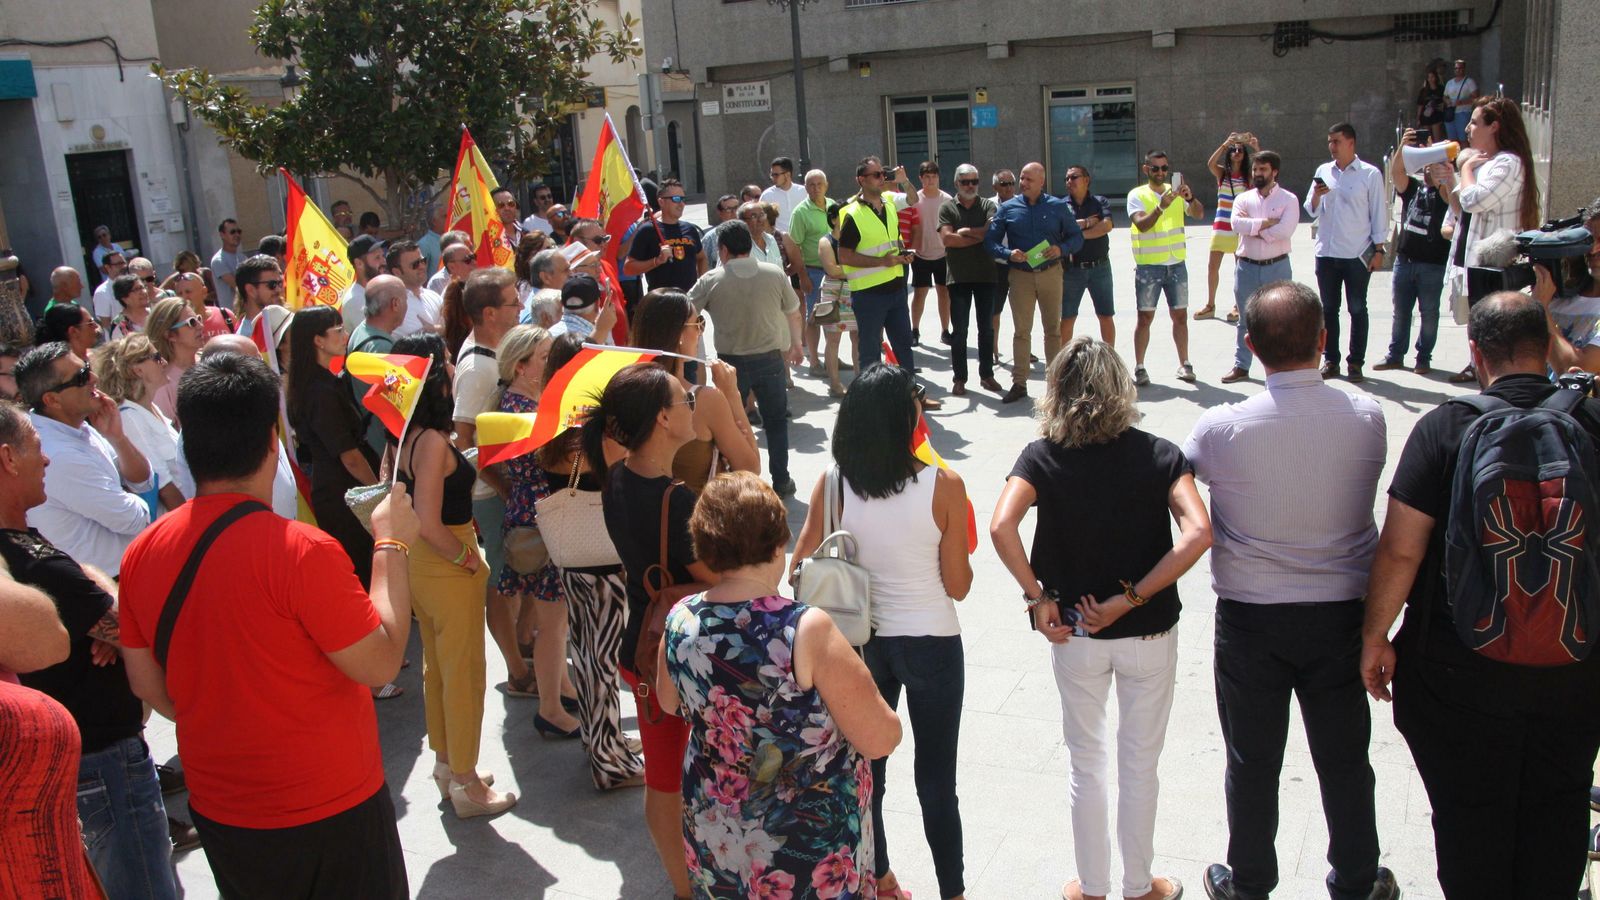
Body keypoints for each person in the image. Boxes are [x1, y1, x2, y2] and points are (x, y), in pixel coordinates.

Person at [117, 350, 417, 897]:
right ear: (272, 441)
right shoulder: (300, 551)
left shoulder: (141, 553)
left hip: (224, 811)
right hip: (330, 807)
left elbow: (150, 687)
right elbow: (379, 662)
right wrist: (391, 542)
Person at [1360, 292, 1600, 899]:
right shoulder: (1593, 424)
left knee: (1469, 819)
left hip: (1460, 666)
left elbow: (1401, 550)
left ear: (1475, 352)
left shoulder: (1445, 428)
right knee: (1561, 804)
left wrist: (1375, 637)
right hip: (1577, 662)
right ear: (1548, 348)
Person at [1184, 281, 1397, 900]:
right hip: (1340, 616)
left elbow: (1176, 478)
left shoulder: (1221, 427)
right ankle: (1358, 879)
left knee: (1251, 761)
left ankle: (1250, 883)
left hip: (1252, 618)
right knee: (1345, 758)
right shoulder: (1366, 415)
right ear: (1324, 339)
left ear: (1249, 347)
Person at [989, 338, 1207, 900]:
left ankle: (1091, 887)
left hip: (1075, 631)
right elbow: (1199, 533)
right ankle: (1141, 886)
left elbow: (1000, 527)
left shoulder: (1041, 457)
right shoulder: (1160, 454)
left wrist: (1037, 598)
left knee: (1086, 763)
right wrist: (1131, 599)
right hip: (1149, 631)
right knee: (1141, 762)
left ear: (1057, 391)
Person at [660, 471, 903, 899]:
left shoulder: (681, 618)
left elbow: (668, 700)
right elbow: (881, 737)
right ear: (778, 542)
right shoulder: (803, 629)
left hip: (717, 826)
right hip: (803, 843)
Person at [791, 363, 973, 900]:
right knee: (938, 780)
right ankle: (954, 891)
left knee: (869, 770)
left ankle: (880, 876)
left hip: (860, 644)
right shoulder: (945, 484)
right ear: (904, 419)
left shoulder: (832, 482)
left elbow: (798, 568)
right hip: (934, 641)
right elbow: (958, 586)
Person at [0, 402, 179, 899]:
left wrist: (102, 611)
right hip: (103, 769)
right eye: (37, 448)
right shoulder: (29, 563)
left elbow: (105, 607)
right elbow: (132, 628)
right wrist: (111, 624)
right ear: (8, 459)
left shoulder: (24, 550)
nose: (47, 460)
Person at [590, 363, 714, 899]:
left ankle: (683, 884)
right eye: (685, 397)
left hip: (639, 644)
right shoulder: (677, 500)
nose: (692, 403)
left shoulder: (617, 474)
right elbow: (721, 577)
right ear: (663, 418)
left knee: (666, 775)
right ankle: (688, 888)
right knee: (671, 779)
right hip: (674, 658)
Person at [384, 332, 515, 818]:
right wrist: (466, 560)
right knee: (463, 675)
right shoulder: (433, 442)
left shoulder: (407, 437)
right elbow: (429, 519)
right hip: (444, 558)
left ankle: (449, 766)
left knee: (438, 670)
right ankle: (465, 782)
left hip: (420, 564)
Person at [533, 334, 644, 789]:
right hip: (600, 562)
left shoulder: (552, 425)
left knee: (589, 654)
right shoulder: (586, 435)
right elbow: (625, 462)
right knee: (599, 660)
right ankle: (609, 762)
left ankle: (605, 740)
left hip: (576, 560)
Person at [449, 268, 540, 713]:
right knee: (504, 582)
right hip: (490, 496)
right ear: (488, 313)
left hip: (505, 490)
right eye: (511, 302)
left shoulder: (492, 356)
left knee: (518, 577)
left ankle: (524, 649)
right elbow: (465, 442)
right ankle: (516, 671)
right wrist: (506, 487)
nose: (520, 306)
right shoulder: (478, 368)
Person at [490, 326, 576, 714]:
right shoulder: (520, 408)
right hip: (539, 516)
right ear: (521, 366)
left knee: (553, 619)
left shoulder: (524, 401)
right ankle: (551, 709)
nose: (549, 362)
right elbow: (546, 462)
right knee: (552, 621)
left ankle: (561, 689)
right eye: (543, 357)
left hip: (534, 511)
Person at [14, 343, 153, 576]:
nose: (94, 378)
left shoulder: (78, 427)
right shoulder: (58, 454)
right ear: (52, 400)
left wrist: (117, 438)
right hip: (107, 583)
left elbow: (143, 481)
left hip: (123, 571)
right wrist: (131, 495)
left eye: (87, 367)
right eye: (81, 377)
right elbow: (134, 520)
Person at [688, 221, 803, 497]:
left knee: (729, 425)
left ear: (723, 249)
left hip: (729, 365)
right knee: (776, 422)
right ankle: (782, 479)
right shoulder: (774, 273)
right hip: (771, 360)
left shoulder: (712, 280)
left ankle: (737, 480)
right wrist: (797, 344)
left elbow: (686, 312)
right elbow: (794, 312)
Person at [1444, 97, 1541, 383]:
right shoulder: (1484, 162)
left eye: (1475, 122)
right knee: (1478, 322)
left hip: (1493, 263)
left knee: (1493, 325)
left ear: (1494, 126)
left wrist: (1465, 170)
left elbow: (1475, 200)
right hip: (1474, 258)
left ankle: (1489, 375)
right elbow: (1459, 205)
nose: (1469, 128)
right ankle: (1479, 366)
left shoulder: (1507, 162)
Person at [285, 305, 381, 590]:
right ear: (318, 340)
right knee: (361, 565)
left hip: (343, 487)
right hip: (344, 492)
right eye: (338, 331)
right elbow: (349, 456)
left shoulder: (320, 382)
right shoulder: (320, 391)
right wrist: (377, 490)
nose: (345, 335)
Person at [632, 288, 761, 491]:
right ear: (679, 335)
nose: (701, 332)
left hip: (638, 517)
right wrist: (732, 395)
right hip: (693, 518)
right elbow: (750, 468)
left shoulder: (625, 388)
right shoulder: (704, 400)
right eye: (698, 323)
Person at [985, 161, 1084, 403]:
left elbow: (1077, 237)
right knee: (1022, 331)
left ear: (1042, 182)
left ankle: (1055, 385)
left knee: (1053, 330)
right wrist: (1008, 254)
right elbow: (990, 242)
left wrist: (1060, 249)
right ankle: (1019, 383)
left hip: (1051, 273)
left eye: (1029, 179)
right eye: (1022, 178)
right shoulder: (1008, 208)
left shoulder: (1058, 206)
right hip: (1020, 276)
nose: (1023, 183)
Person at [1305, 123, 1387, 382]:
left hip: (1356, 254)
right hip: (1327, 254)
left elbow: (1378, 214)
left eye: (1336, 141)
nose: (1332, 147)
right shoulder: (1323, 171)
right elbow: (1311, 209)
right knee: (1328, 309)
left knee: (1357, 308)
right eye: (1329, 142)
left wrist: (1379, 249)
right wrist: (1317, 196)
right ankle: (1331, 360)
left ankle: (1356, 362)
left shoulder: (1370, 174)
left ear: (1351, 143)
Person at [1375, 130, 1455, 376]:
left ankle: (1423, 357)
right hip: (1405, 260)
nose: (1429, 170)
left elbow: (1447, 193)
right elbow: (1398, 172)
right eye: (1426, 167)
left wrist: (1437, 157)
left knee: (1429, 313)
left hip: (1432, 264)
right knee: (1401, 311)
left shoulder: (1445, 192)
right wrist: (1403, 147)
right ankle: (1396, 355)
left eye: (1433, 166)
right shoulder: (1414, 189)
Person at [1220, 151, 1300, 383]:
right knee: (1245, 320)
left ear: (1274, 172)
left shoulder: (1288, 199)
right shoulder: (1243, 199)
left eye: (1263, 170)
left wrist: (1253, 229)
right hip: (1246, 267)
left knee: (1280, 318)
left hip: (1277, 267)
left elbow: (1285, 231)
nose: (1257, 174)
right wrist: (1266, 224)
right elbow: (1236, 224)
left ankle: (1281, 368)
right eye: (1255, 169)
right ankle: (1241, 366)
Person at [1127, 150, 1203, 386]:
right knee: (1145, 317)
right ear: (1146, 169)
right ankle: (1140, 367)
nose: (1160, 172)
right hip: (1150, 266)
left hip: (1176, 264)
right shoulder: (1137, 195)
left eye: (1164, 168)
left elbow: (1199, 214)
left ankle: (1185, 363)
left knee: (1180, 316)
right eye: (1155, 168)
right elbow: (1141, 225)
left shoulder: (1176, 192)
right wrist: (1160, 207)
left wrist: (1190, 199)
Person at [838, 156, 918, 378]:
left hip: (896, 289)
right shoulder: (852, 213)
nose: (882, 178)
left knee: (904, 347)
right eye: (876, 175)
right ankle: (872, 403)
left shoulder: (889, 200)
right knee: (870, 353)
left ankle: (910, 397)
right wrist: (883, 261)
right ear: (861, 180)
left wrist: (904, 180)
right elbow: (844, 255)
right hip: (868, 294)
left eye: (883, 174)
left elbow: (913, 199)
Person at [93, 334, 190, 512]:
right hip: (176, 517)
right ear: (137, 370)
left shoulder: (149, 408)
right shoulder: (129, 418)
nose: (164, 362)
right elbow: (164, 487)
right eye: (156, 357)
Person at [939, 164, 1001, 396]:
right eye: (965, 182)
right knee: (960, 331)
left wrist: (965, 231)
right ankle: (960, 378)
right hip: (959, 278)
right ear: (956, 184)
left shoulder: (988, 205)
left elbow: (992, 233)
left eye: (974, 181)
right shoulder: (947, 208)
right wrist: (979, 235)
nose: (970, 186)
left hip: (986, 276)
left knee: (986, 329)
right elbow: (948, 240)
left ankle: (987, 375)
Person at [1533, 197, 1600, 375]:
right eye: (1589, 240)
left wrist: (1540, 308)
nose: (1593, 250)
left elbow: (1575, 370)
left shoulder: (1544, 300)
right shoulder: (1558, 292)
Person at [1195, 131, 1257, 321]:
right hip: (1221, 225)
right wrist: (1224, 144)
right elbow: (1210, 164)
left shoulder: (1248, 176)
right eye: (1234, 150)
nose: (1237, 152)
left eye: (1240, 150)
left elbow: (1264, 168)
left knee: (1240, 268)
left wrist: (1256, 148)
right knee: (1212, 267)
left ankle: (1238, 304)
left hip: (1239, 227)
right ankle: (1210, 304)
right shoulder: (1223, 174)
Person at [348, 274, 407, 456]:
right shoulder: (381, 348)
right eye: (406, 299)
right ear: (395, 304)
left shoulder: (361, 330)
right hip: (384, 448)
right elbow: (399, 403)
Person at [1060, 164, 1117, 348]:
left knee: (1105, 315)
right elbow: (1061, 232)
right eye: (1067, 178)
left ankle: (1110, 362)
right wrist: (1088, 222)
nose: (1069, 181)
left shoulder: (1099, 202)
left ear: (1086, 179)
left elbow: (1106, 226)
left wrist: (1078, 232)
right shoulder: (1061, 206)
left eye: (1074, 177)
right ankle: (1065, 364)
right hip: (1072, 270)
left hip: (1100, 268)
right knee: (1067, 317)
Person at [626, 180, 705, 292]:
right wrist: (657, 261)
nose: (681, 204)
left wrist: (702, 287)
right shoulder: (647, 230)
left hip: (690, 300)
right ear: (661, 202)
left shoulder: (690, 229)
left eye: (683, 199)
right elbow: (628, 268)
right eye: (676, 199)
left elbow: (701, 258)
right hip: (662, 302)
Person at [790, 170, 834, 369]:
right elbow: (795, 246)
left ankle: (832, 357)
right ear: (805, 187)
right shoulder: (800, 212)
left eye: (819, 184)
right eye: (811, 185)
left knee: (834, 316)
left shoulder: (834, 206)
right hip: (813, 272)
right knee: (814, 318)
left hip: (834, 272)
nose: (815, 188)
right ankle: (814, 360)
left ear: (826, 185)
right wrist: (803, 276)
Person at [910, 161, 954, 345]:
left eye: (934, 176)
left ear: (938, 178)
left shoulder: (947, 199)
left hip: (943, 254)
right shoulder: (914, 199)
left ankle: (945, 330)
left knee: (944, 293)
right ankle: (914, 330)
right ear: (920, 178)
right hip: (921, 254)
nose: (930, 180)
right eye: (927, 176)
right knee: (920, 293)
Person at [147, 297, 204, 424]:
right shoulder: (163, 383)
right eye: (191, 322)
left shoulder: (208, 360)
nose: (200, 326)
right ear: (170, 335)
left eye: (198, 319)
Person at [387, 239, 443, 338]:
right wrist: (443, 328)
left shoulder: (434, 296)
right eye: (415, 264)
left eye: (423, 261)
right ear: (397, 272)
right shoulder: (395, 306)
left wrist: (436, 329)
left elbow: (456, 325)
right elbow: (424, 338)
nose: (422, 266)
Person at [340, 234, 386, 333]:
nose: (383, 262)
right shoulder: (355, 300)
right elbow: (376, 337)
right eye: (377, 258)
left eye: (383, 256)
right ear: (359, 263)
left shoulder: (380, 291)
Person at [232, 255, 284, 338]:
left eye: (280, 283)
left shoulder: (287, 321)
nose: (278, 290)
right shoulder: (245, 339)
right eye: (272, 285)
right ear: (251, 290)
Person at [36, 301, 102, 364]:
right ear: (73, 331)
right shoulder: (62, 372)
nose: (96, 326)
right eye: (90, 323)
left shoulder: (98, 359)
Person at [211, 218, 245, 312]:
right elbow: (237, 286)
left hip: (245, 312)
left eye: (239, 231)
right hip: (231, 315)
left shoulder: (243, 258)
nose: (237, 235)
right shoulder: (218, 261)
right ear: (222, 235)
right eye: (232, 232)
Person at [107, 273, 153, 340]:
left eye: (142, 287)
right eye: (136, 289)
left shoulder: (156, 313)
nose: (143, 292)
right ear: (124, 298)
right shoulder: (119, 325)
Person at [1443, 59, 1478, 143]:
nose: (1458, 70)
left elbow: (1476, 98)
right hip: (1451, 113)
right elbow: (1444, 96)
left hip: (1463, 112)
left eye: (1460, 68)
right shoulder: (1449, 83)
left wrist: (1462, 102)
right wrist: (1447, 101)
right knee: (1452, 140)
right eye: (1456, 68)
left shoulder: (1469, 82)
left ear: (1464, 69)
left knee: (1463, 139)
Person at [90, 250, 128, 328]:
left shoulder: (135, 285)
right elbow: (106, 324)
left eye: (124, 263)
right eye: (118, 264)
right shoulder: (102, 292)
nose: (123, 267)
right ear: (107, 267)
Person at [1417, 68, 1450, 142]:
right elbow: (1420, 105)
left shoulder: (1441, 89)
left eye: (1432, 77)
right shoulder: (1424, 90)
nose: (1430, 79)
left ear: (1436, 78)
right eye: (1429, 77)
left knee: (1437, 139)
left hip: (1437, 115)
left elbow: (1445, 100)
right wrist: (1418, 118)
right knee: (1426, 139)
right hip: (1426, 116)